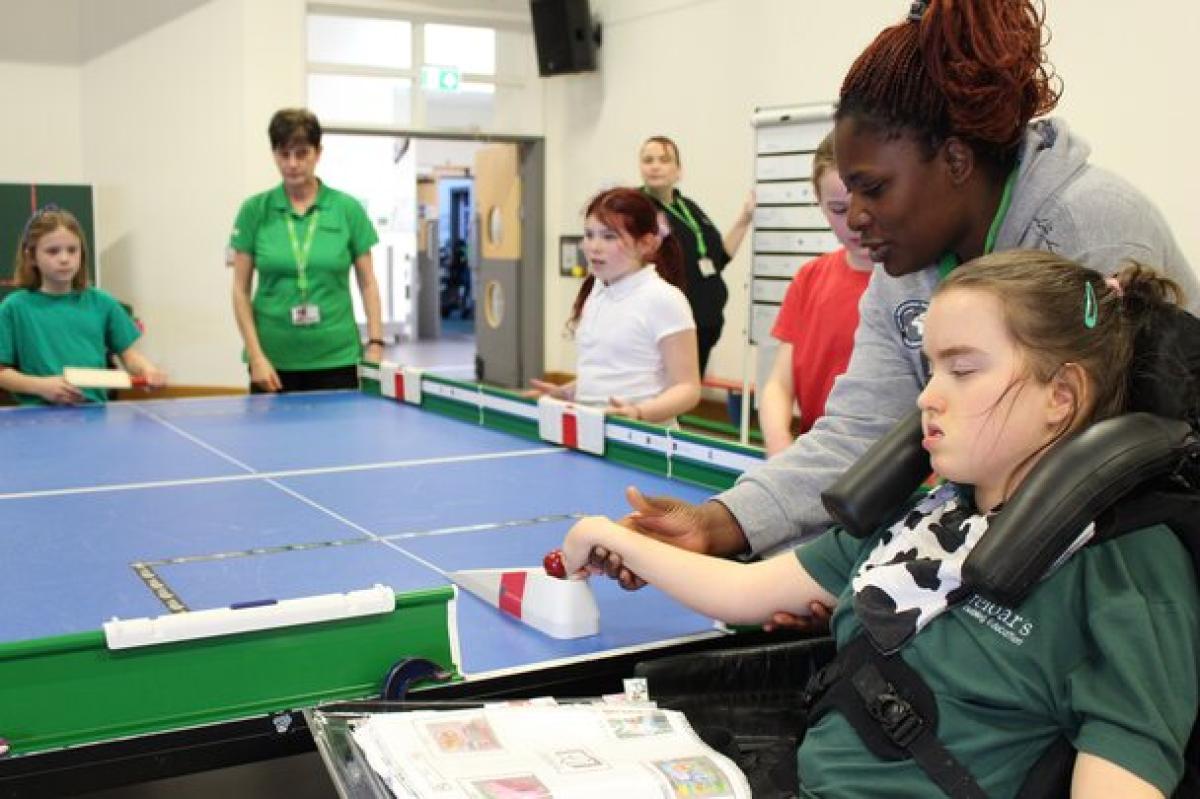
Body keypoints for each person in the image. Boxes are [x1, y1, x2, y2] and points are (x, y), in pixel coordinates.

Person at [600, 0, 1199, 604]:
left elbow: (1103, 480)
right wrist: (720, 523)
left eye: (874, 189)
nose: (856, 218)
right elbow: (860, 430)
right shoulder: (907, 260)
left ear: (956, 160)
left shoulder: (1093, 229)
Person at [564, 251, 1200, 798]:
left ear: (1060, 396)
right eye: (931, 368)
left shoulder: (1127, 569)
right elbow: (745, 591)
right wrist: (612, 536)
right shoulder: (930, 515)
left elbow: (1124, 776)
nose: (927, 396)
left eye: (964, 368)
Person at [230, 108, 385, 394]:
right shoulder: (254, 211)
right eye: (284, 154)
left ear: (318, 152)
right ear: (274, 153)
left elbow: (368, 283)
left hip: (337, 359)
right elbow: (240, 290)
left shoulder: (347, 209)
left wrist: (375, 343)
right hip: (273, 362)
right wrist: (256, 356)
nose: (292, 164)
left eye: (302, 154)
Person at [527, 187, 700, 424]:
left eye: (609, 237)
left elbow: (688, 388)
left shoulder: (664, 298)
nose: (594, 247)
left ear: (646, 244)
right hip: (591, 429)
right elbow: (611, 372)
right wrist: (568, 392)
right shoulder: (597, 289)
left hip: (643, 439)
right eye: (589, 235)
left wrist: (640, 413)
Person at [759, 132, 874, 456]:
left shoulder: (921, 280)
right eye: (838, 209)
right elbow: (779, 385)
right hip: (820, 464)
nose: (854, 222)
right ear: (819, 204)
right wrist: (779, 444)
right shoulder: (810, 278)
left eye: (866, 203)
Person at [0, 206, 166, 405]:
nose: (64, 259)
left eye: (72, 250)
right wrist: (42, 386)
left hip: (93, 415)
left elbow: (129, 355)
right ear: (31, 256)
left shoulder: (102, 303)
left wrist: (148, 370)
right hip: (37, 417)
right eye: (53, 251)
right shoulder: (14, 308)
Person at [639, 136, 754, 376]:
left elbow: (717, 258)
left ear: (678, 171)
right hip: (667, 326)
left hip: (704, 324)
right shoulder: (637, 210)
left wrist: (744, 220)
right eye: (648, 160)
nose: (655, 165)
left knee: (684, 396)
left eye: (664, 159)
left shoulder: (688, 207)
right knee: (664, 395)